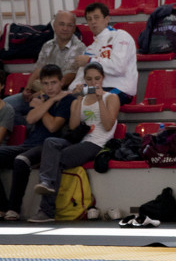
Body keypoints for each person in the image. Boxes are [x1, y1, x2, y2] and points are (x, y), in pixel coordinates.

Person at [26, 62, 120, 222]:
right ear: (84, 80)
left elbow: (108, 124)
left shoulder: (111, 97)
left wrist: (99, 100)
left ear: (103, 79)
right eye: (89, 79)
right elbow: (73, 126)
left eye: (97, 78)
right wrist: (76, 101)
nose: (93, 83)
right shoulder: (80, 100)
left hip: (97, 143)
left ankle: (47, 210)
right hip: (80, 140)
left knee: (57, 159)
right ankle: (46, 182)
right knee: (50, 142)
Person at [0, 64, 74, 221]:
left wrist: (42, 107)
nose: (49, 87)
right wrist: (50, 100)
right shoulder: (44, 98)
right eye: (45, 84)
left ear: (61, 82)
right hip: (29, 144)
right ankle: (2, 206)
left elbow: (53, 127)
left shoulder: (67, 100)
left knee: (21, 161)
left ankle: (14, 209)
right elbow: (30, 118)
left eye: (53, 83)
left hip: (48, 146)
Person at [71, 2, 138, 104]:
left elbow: (119, 67)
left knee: (93, 100)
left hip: (120, 89)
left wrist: (90, 60)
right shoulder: (89, 49)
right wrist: (74, 89)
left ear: (106, 19)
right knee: (68, 100)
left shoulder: (121, 36)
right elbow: (80, 77)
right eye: (89, 19)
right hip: (95, 90)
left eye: (96, 17)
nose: (93, 22)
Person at [26, 11, 85, 90]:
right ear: (54, 26)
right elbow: (38, 70)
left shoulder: (80, 48)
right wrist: (27, 89)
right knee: (9, 101)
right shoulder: (47, 45)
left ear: (74, 28)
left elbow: (71, 76)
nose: (65, 28)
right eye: (61, 24)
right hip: (43, 88)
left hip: (62, 92)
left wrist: (43, 92)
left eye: (69, 25)